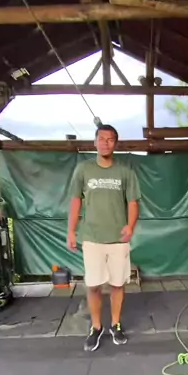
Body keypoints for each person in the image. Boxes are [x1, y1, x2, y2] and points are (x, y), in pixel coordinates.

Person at [67, 124, 141, 352]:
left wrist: (130, 226)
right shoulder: (83, 169)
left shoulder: (125, 172)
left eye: (110, 139)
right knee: (93, 285)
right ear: (95, 142)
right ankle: (96, 327)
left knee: (118, 284)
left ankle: (115, 325)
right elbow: (75, 200)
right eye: (101, 138)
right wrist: (71, 231)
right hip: (92, 238)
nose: (105, 143)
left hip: (118, 239)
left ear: (115, 144)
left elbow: (133, 203)